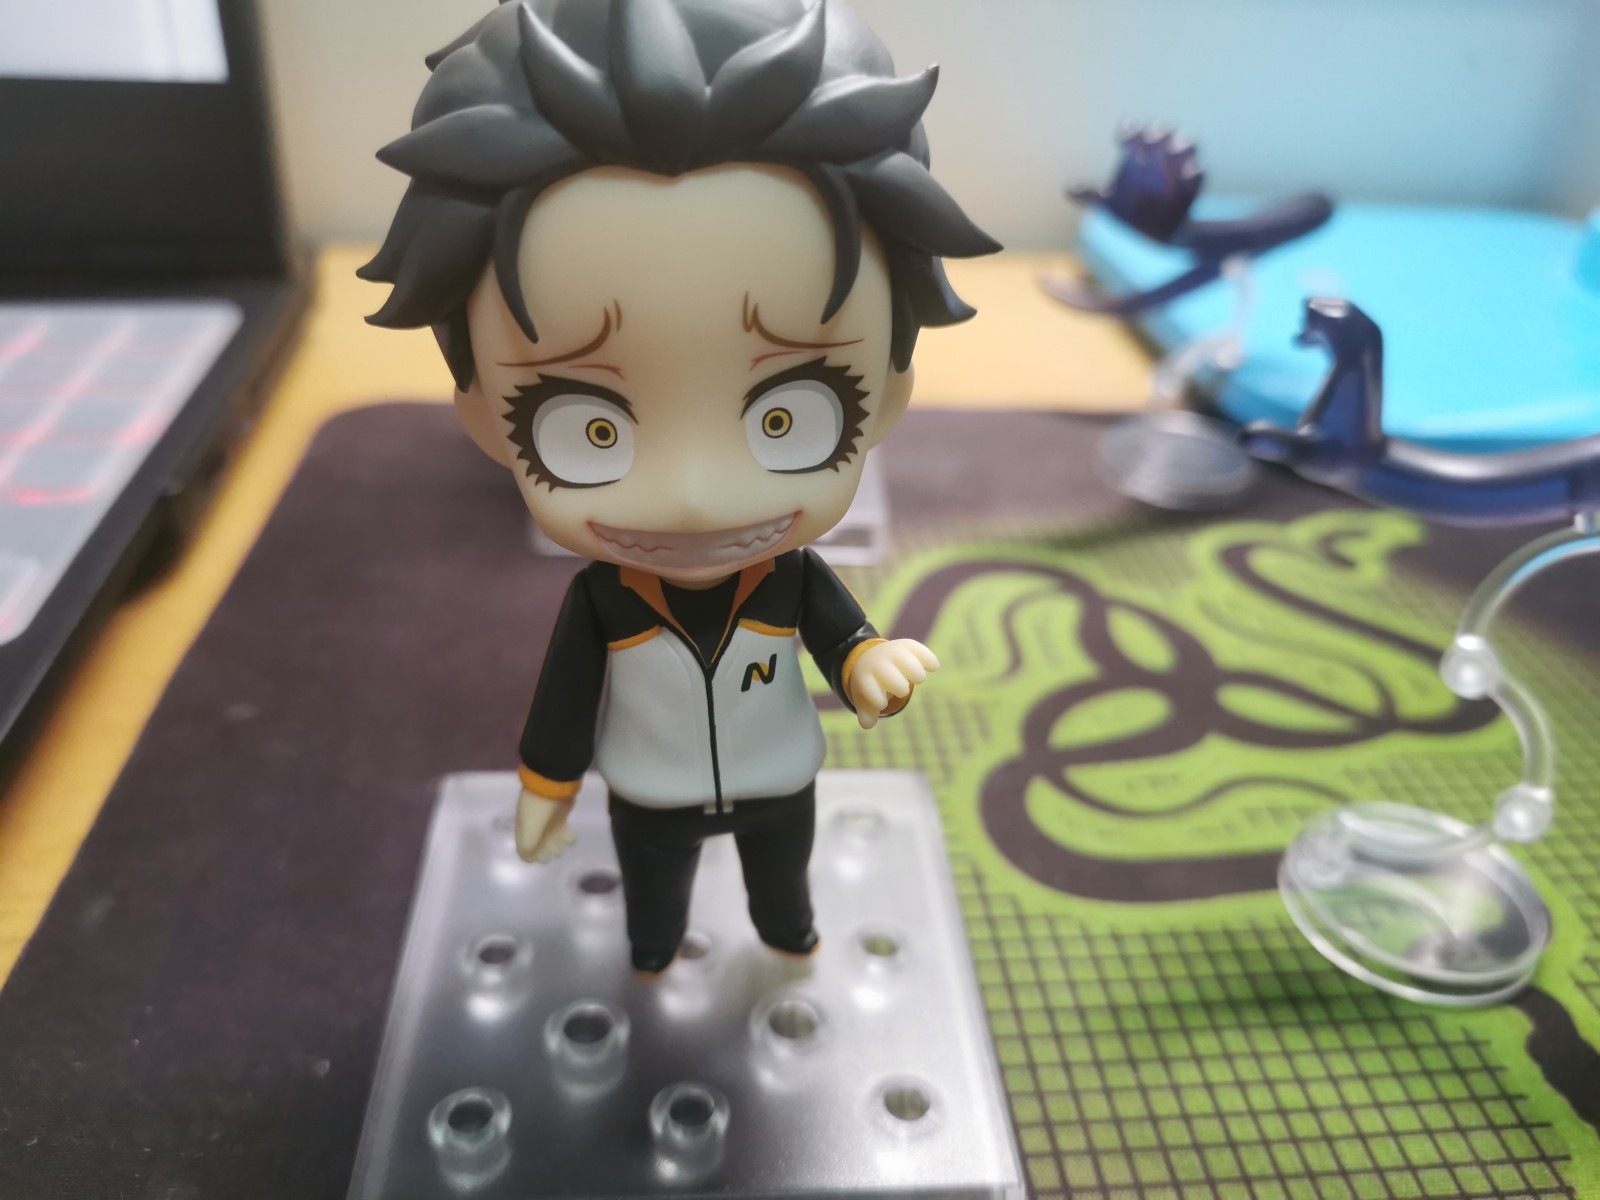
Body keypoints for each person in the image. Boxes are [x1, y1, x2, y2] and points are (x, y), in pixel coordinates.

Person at [361, 0, 998, 973]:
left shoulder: (791, 578)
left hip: (778, 778)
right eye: (591, 428)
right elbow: (563, 706)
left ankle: (789, 936)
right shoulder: (604, 600)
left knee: (782, 882)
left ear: (887, 395)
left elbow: (844, 639)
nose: (696, 496)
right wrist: (546, 790)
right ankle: (654, 949)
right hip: (649, 790)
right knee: (654, 896)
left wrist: (867, 664)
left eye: (788, 415)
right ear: (486, 418)